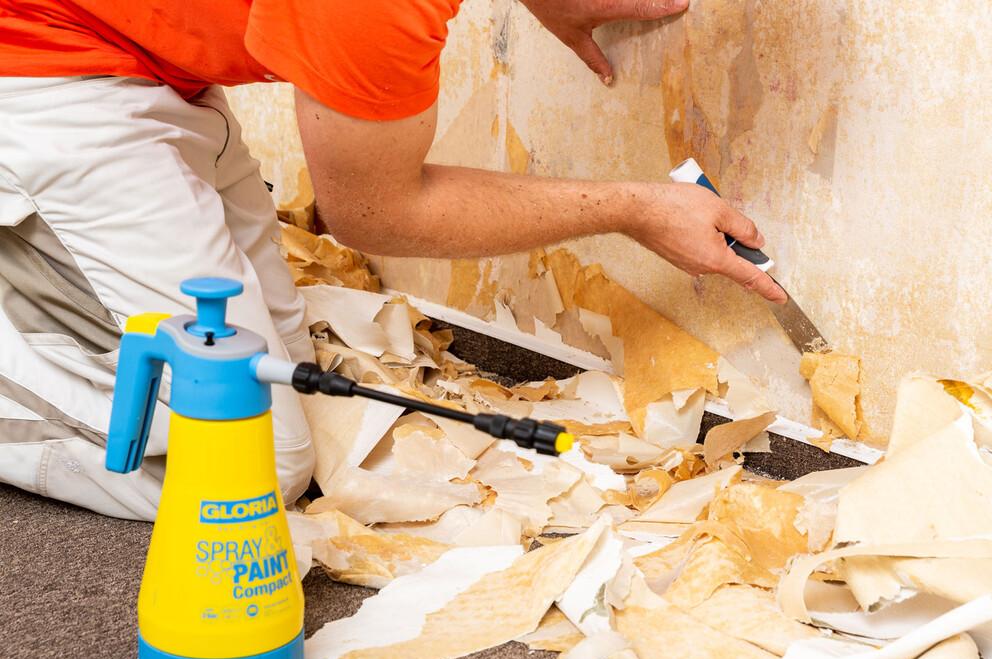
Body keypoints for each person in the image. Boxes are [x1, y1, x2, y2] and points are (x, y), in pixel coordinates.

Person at [0, 0, 786, 521]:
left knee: (278, 379)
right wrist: (636, 210)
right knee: (258, 470)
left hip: (148, 59)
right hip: (41, 68)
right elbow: (373, 212)